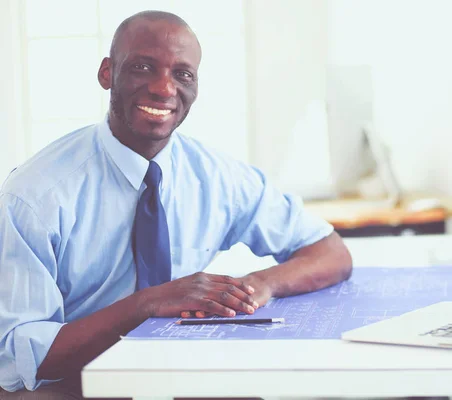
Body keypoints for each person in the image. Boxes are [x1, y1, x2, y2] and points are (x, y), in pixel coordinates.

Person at [0, 10, 352, 399]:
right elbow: (20, 359)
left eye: (182, 74)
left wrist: (258, 286)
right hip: (68, 383)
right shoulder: (33, 196)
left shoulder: (218, 177)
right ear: (106, 74)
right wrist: (148, 304)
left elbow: (330, 252)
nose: (163, 88)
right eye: (142, 67)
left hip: (176, 371)